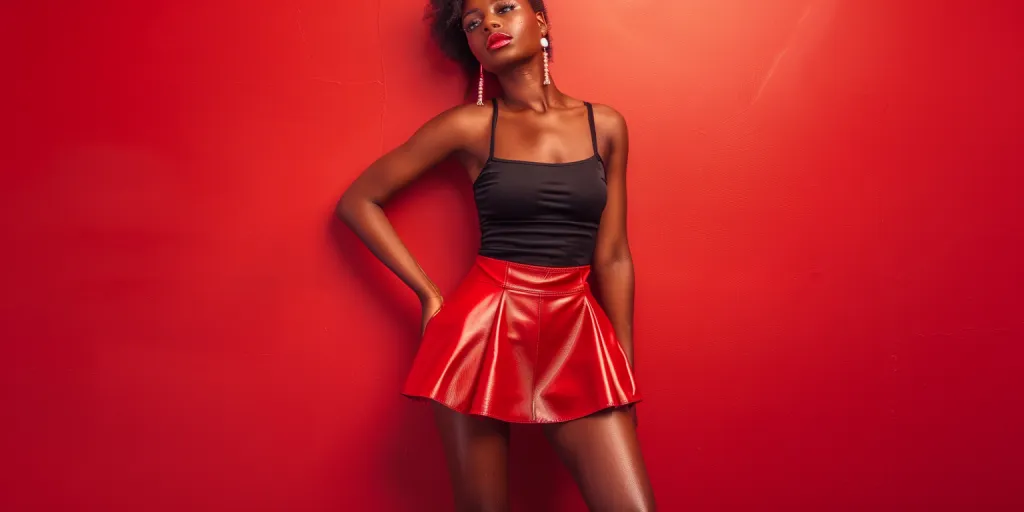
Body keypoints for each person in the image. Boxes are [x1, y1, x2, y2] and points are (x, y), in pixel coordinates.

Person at [336, 1, 655, 510]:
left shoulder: (607, 125)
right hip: (482, 329)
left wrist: (624, 372)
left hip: (576, 324)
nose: (489, 23)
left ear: (543, 21)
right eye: (472, 22)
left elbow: (613, 257)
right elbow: (358, 201)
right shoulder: (468, 126)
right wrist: (429, 294)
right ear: (473, 48)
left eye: (505, 7)